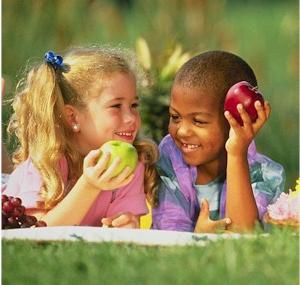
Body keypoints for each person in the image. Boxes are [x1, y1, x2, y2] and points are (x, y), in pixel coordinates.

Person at [3, 46, 158, 228]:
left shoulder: (130, 165)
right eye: (116, 106)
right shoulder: (47, 161)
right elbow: (34, 231)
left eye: (134, 105)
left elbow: (119, 227)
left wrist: (127, 224)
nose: (131, 117)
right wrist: (89, 185)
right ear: (73, 117)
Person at [152, 50, 285, 233]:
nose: (182, 131)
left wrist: (237, 153)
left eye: (198, 121)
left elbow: (243, 235)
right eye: (175, 117)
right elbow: (169, 233)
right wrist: (197, 238)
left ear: (237, 120)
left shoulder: (266, 175)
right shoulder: (171, 157)